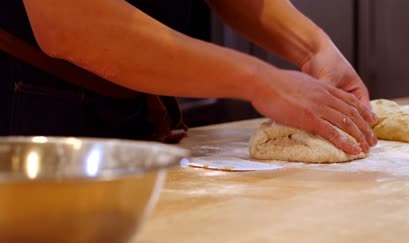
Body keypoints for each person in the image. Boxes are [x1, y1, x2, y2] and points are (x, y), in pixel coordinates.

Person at [0, 0, 377, 154]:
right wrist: (259, 80)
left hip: (133, 108)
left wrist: (314, 48)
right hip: (29, 110)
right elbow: (70, 22)